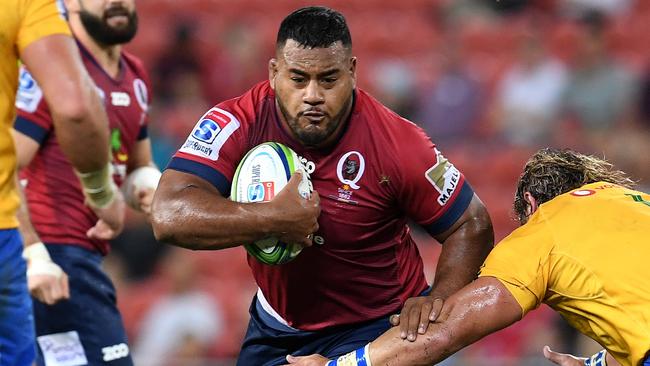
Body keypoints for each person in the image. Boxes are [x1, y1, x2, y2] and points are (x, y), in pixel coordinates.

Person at [151, 6, 494, 366]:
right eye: (298, 79)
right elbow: (167, 214)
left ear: (352, 72)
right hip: (277, 328)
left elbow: (472, 224)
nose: (312, 95)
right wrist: (272, 218)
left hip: (379, 325)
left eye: (328, 79)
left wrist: (438, 298)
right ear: (273, 73)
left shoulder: (399, 143)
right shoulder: (238, 121)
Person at [286, 148, 650, 366]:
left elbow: (447, 331)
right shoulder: (633, 201)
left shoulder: (542, 230)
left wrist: (341, 363)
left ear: (530, 204)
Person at [12, 0, 158, 364]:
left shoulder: (136, 74)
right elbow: (5, 167)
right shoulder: (54, 67)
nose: (117, 2)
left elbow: (138, 163)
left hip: (85, 261)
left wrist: (147, 186)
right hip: (50, 261)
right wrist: (33, 254)